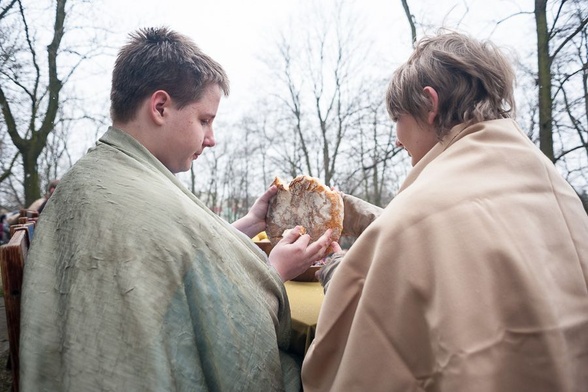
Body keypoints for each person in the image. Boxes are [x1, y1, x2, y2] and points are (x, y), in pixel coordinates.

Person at [19, 27, 334, 391]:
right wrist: (273, 272)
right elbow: (212, 323)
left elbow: (183, 254)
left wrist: (250, 222)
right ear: (160, 107)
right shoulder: (129, 199)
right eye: (204, 120)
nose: (211, 139)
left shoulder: (114, 176)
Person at [302, 30, 588, 391]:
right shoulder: (554, 186)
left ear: (429, 103)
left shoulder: (418, 213)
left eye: (397, 119)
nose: (396, 138)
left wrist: (334, 269)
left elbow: (365, 351)